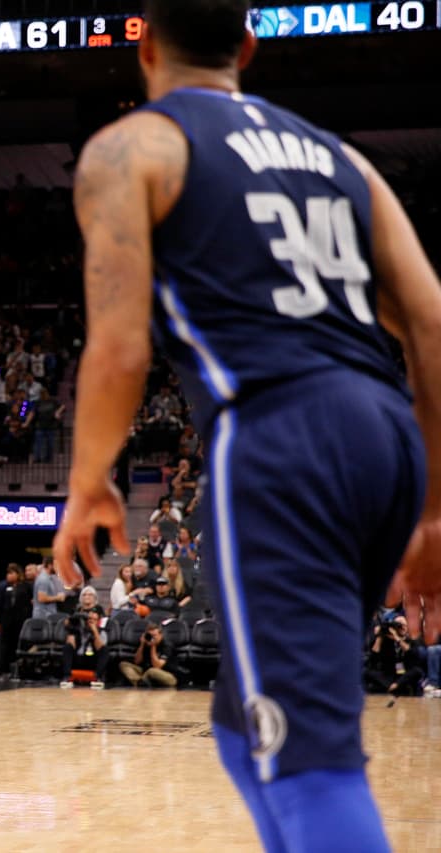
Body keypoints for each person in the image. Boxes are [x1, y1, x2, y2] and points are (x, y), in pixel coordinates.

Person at [52, 2, 441, 849]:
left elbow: (120, 350)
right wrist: (437, 510)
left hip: (282, 440)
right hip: (387, 434)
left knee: (310, 761)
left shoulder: (134, 147)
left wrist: (88, 482)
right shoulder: (339, 157)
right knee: (243, 719)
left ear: (144, 43)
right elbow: (432, 320)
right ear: (249, 48)